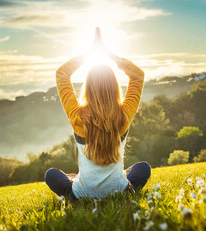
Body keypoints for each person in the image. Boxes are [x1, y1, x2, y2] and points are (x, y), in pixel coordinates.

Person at [44, 27, 151, 199]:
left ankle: (74, 191)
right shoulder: (123, 116)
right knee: (143, 168)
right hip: (119, 192)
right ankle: (119, 180)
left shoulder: (77, 117)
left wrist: (89, 52)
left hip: (83, 194)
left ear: (88, 88)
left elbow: (62, 74)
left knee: (51, 175)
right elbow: (137, 76)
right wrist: (108, 53)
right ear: (115, 87)